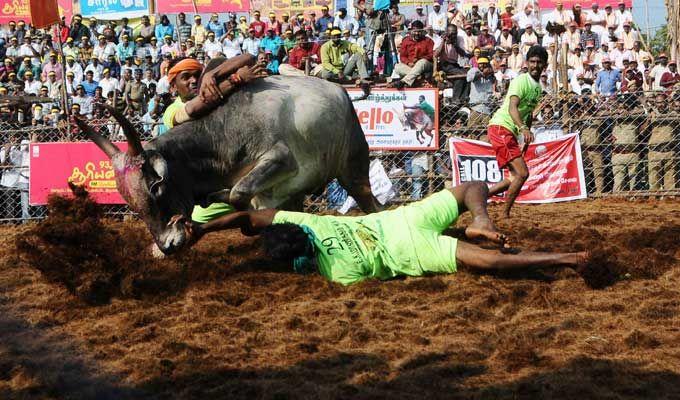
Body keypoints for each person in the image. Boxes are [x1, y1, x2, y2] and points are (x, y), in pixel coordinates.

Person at [180, 181, 587, 286]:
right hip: (400, 220)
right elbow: (249, 219)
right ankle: (480, 222)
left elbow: (250, 224)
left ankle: (566, 258)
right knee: (468, 191)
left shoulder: (337, 273)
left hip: (410, 248)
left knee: (493, 263)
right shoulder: (312, 222)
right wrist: (202, 229)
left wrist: (199, 229)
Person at [161, 55, 267, 223]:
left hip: (248, 190)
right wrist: (236, 79)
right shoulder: (172, 111)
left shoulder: (216, 90)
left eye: (197, 75)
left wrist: (213, 74)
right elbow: (195, 108)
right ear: (173, 86)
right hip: (211, 204)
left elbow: (249, 57)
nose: (194, 80)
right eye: (186, 77)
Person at [487, 45, 548, 219]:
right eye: (532, 61)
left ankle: (480, 197)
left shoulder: (537, 87)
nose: (535, 65)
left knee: (514, 177)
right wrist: (523, 128)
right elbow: (513, 107)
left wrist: (526, 134)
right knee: (522, 173)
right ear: (527, 63)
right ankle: (504, 214)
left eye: (539, 62)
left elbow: (527, 113)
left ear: (544, 65)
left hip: (509, 131)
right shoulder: (522, 80)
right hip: (501, 127)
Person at [392, 21, 433, 89]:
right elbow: (403, 56)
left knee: (422, 62)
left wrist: (419, 60)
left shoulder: (428, 40)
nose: (417, 33)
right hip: (411, 66)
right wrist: (408, 63)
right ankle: (417, 76)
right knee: (397, 66)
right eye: (415, 31)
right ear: (411, 31)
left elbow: (431, 55)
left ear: (422, 31)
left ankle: (403, 81)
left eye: (419, 31)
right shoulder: (406, 41)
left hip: (425, 65)